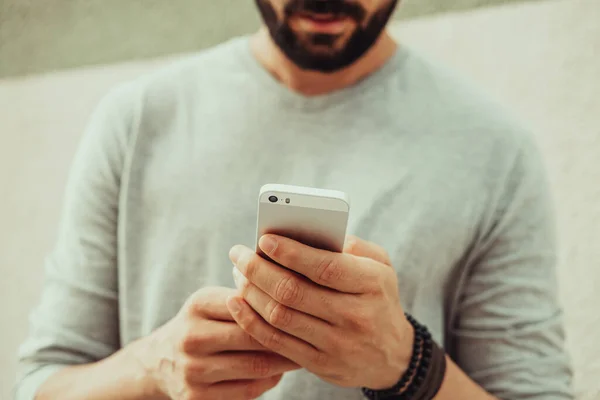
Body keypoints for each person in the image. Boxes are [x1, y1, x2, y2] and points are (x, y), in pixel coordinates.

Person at [16, 0, 574, 399]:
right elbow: (41, 384)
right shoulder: (136, 121)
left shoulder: (494, 150)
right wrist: (153, 367)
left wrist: (407, 365)